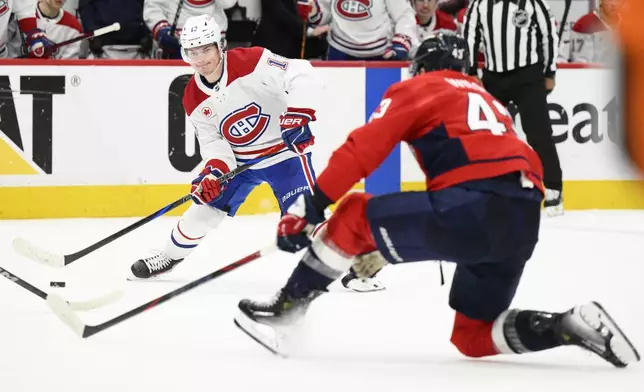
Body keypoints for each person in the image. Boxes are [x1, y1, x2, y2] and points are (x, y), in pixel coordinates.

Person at [233, 32, 641, 368]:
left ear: (424, 67)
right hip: (521, 221)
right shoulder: (491, 102)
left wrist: (313, 205)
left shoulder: (421, 86)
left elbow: (363, 148)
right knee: (472, 335)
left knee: (355, 213)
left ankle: (288, 309)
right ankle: (565, 325)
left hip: (474, 208)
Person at [129, 14, 321, 279]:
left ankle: (350, 265)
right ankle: (168, 256)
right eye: (193, 51)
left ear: (220, 45)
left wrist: (297, 114)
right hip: (241, 163)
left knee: (304, 217)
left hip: (282, 153)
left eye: (206, 48)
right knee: (202, 212)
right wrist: (213, 174)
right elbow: (214, 143)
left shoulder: (252, 60)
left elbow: (303, 72)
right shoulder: (192, 96)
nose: (201, 58)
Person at [463, 0, 564, 217]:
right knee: (487, 134)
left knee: (539, 132)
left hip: (528, 75)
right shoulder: (479, 3)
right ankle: (486, 187)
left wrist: (550, 72)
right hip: (494, 77)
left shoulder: (534, 2)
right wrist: (471, 70)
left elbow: (548, 35)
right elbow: (470, 35)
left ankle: (554, 188)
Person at [306, 0, 416, 61]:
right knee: (337, 100)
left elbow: (404, 14)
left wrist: (401, 42)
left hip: (379, 55)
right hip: (339, 53)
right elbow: (324, 16)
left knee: (379, 100)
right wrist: (313, 11)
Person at [143, 0, 235, 59]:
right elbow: (153, 7)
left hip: (211, 48)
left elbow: (228, 3)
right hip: (174, 47)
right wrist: (161, 29)